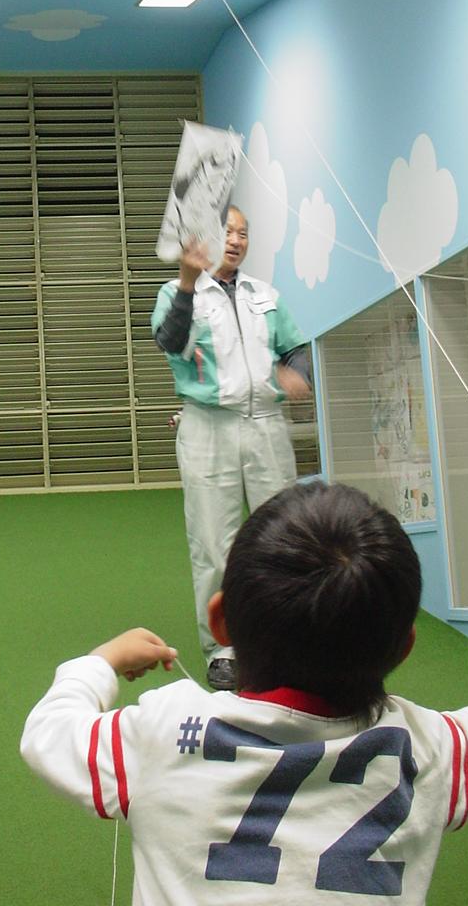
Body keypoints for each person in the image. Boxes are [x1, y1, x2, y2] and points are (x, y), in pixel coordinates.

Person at [21, 481, 468, 906]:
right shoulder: (434, 747)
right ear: (404, 648)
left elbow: (49, 731)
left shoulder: (161, 730)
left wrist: (100, 663)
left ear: (220, 622)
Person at [151, 205, 311, 690]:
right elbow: (170, 342)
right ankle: (224, 650)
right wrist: (186, 282)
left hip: (266, 425)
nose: (237, 240)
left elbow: (295, 348)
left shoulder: (266, 295)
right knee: (214, 544)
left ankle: (288, 641)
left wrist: (297, 374)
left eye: (244, 232)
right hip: (207, 426)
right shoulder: (177, 293)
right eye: (228, 232)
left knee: (285, 537)